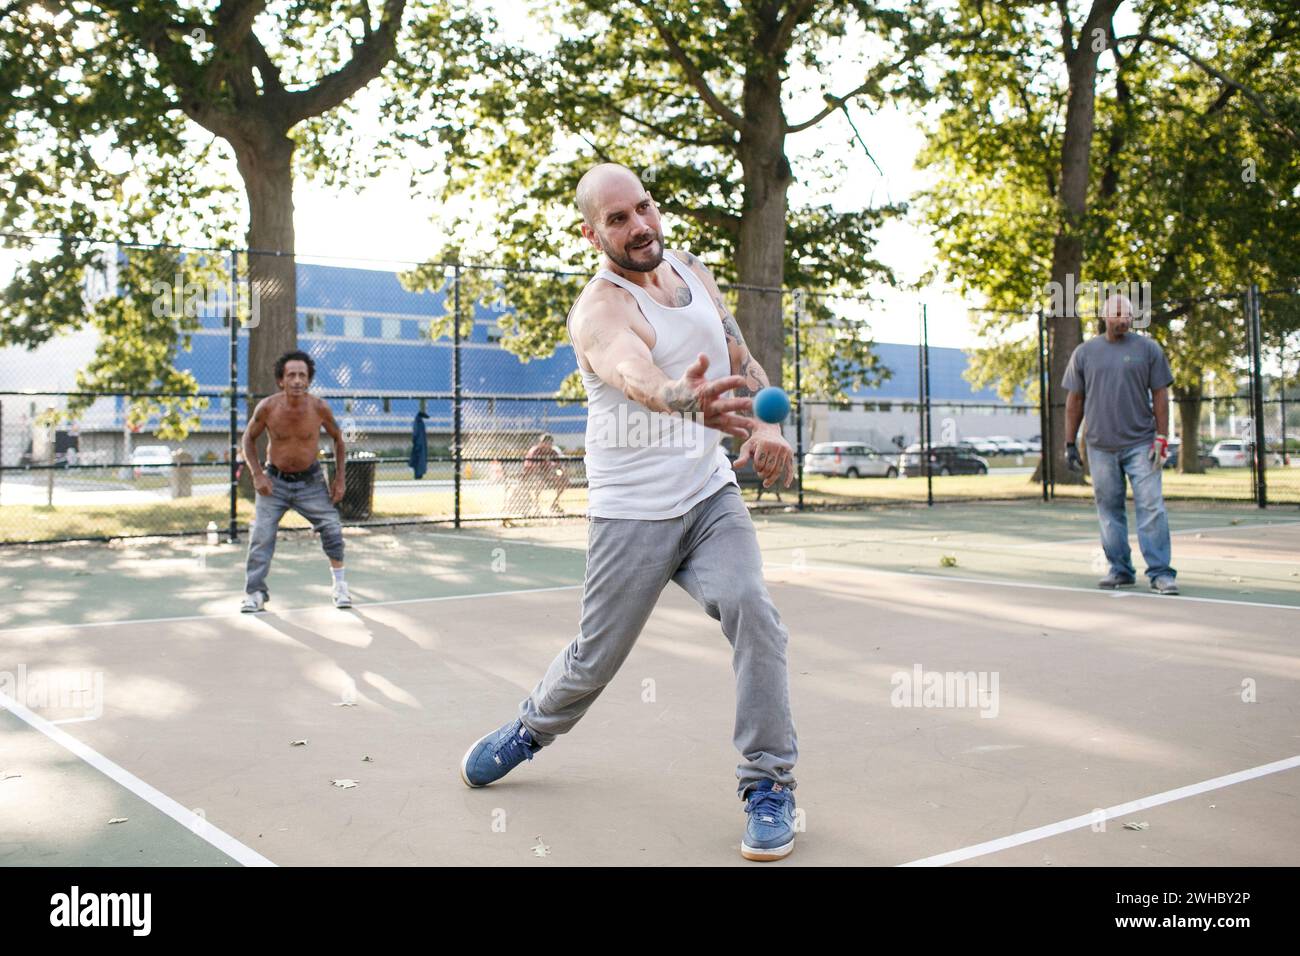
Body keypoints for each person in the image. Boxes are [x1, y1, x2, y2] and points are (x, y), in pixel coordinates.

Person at [459, 163, 800, 861]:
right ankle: (530, 729)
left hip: (707, 496)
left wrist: (764, 427)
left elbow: (739, 355)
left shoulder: (692, 271)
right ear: (591, 234)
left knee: (752, 608)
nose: (639, 226)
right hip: (631, 515)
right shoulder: (599, 309)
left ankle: (769, 784)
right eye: (617, 219)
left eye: (642, 208)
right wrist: (683, 397)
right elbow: (631, 372)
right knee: (593, 660)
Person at [1063, 294, 1178, 595]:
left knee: (1152, 507)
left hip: (1141, 443)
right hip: (1100, 446)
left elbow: (1161, 395)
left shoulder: (1148, 349)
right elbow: (1075, 400)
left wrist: (1162, 436)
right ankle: (1120, 570)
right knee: (1109, 511)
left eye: (1128, 315)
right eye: (1117, 314)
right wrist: (1069, 442)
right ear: (1104, 316)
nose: (1123, 319)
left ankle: (1161, 573)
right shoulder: (1085, 353)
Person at [240, 350, 352, 611]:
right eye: (292, 375)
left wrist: (340, 480)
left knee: (333, 529)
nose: (297, 380)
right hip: (274, 483)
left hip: (311, 482)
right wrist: (257, 474)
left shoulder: (319, 408)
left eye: (303, 375)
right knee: (261, 535)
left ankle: (340, 587)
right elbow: (248, 438)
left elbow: (338, 439)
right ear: (282, 380)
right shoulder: (267, 407)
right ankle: (255, 593)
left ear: (309, 379)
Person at [520, 433, 568, 515]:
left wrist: (560, 472)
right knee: (539, 483)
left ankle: (554, 504)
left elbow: (559, 465)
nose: (547, 445)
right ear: (540, 443)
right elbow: (531, 468)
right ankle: (536, 506)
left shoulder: (553, 452)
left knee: (563, 480)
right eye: (545, 442)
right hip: (531, 476)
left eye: (549, 443)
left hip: (547, 475)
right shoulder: (535, 451)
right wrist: (548, 467)